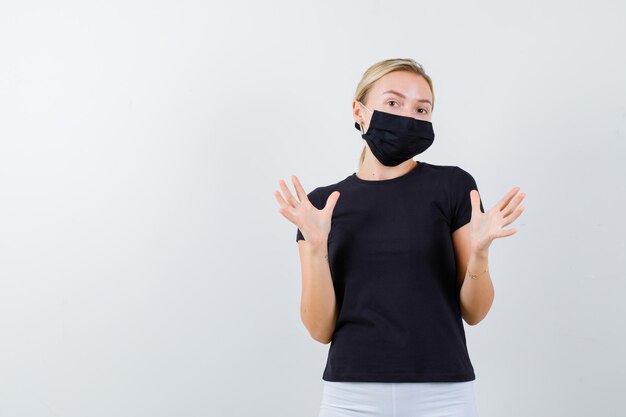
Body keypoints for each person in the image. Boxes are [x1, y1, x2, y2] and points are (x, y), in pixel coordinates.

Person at [274, 58, 526, 417]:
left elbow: (474, 311)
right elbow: (319, 329)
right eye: (393, 103)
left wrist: (480, 255)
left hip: (443, 394)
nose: (408, 117)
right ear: (358, 111)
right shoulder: (320, 206)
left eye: (422, 109)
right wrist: (316, 249)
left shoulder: (453, 187)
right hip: (351, 395)